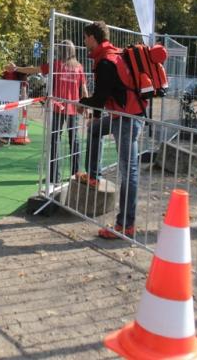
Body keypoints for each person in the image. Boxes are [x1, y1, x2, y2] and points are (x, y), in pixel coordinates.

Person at [78, 21, 145, 239]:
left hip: (127, 120)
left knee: (128, 172)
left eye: (85, 37)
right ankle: (93, 175)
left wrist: (82, 103)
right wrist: (95, 115)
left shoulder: (106, 62)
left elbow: (98, 99)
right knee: (95, 129)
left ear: (93, 38)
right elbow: (107, 95)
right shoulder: (111, 56)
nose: (84, 41)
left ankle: (125, 225)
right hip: (124, 116)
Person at [8, 40, 88, 182]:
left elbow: (34, 70)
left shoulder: (56, 64)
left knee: (55, 140)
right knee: (74, 141)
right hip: (73, 108)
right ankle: (76, 174)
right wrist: (86, 106)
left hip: (57, 108)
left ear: (61, 51)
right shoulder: (79, 67)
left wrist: (16, 69)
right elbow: (84, 89)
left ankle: (54, 176)